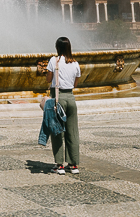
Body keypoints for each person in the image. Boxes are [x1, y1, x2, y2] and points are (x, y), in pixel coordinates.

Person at [45, 36, 81, 175]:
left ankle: (59, 165)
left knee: (57, 131)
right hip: (71, 98)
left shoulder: (54, 61)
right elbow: (75, 83)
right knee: (72, 132)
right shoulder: (75, 63)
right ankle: (73, 165)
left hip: (58, 98)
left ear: (58, 48)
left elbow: (48, 79)